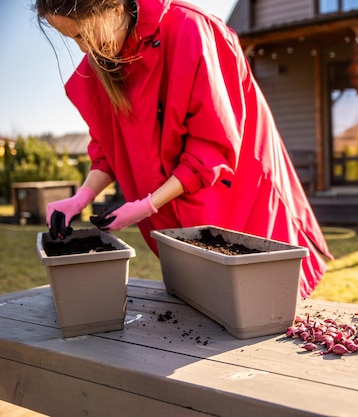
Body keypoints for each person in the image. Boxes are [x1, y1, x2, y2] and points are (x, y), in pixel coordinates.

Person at [37, 0, 333, 298]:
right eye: (72, 38)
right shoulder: (106, 56)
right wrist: (82, 196)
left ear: (114, 7)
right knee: (204, 311)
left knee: (264, 304)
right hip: (180, 224)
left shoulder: (192, 32)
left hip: (240, 203)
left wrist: (147, 205)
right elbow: (109, 146)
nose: (84, 49)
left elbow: (210, 148)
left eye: (83, 35)